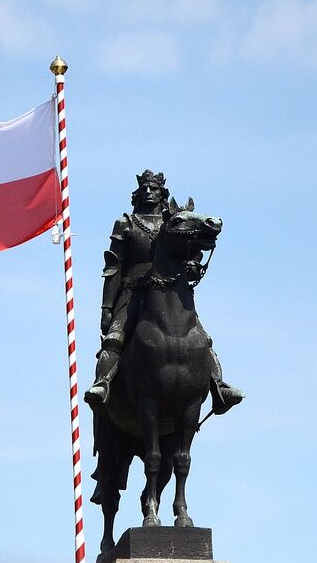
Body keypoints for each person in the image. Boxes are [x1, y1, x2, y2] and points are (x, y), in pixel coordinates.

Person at [84, 169, 244, 414]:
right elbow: (114, 266)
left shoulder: (171, 223)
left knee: (202, 338)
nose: (149, 192)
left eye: (154, 189)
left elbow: (188, 253)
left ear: (162, 193)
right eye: (145, 189)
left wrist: (191, 266)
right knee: (115, 338)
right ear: (138, 194)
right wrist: (107, 307)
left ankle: (218, 387)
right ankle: (103, 383)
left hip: (169, 289)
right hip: (132, 292)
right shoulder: (126, 222)